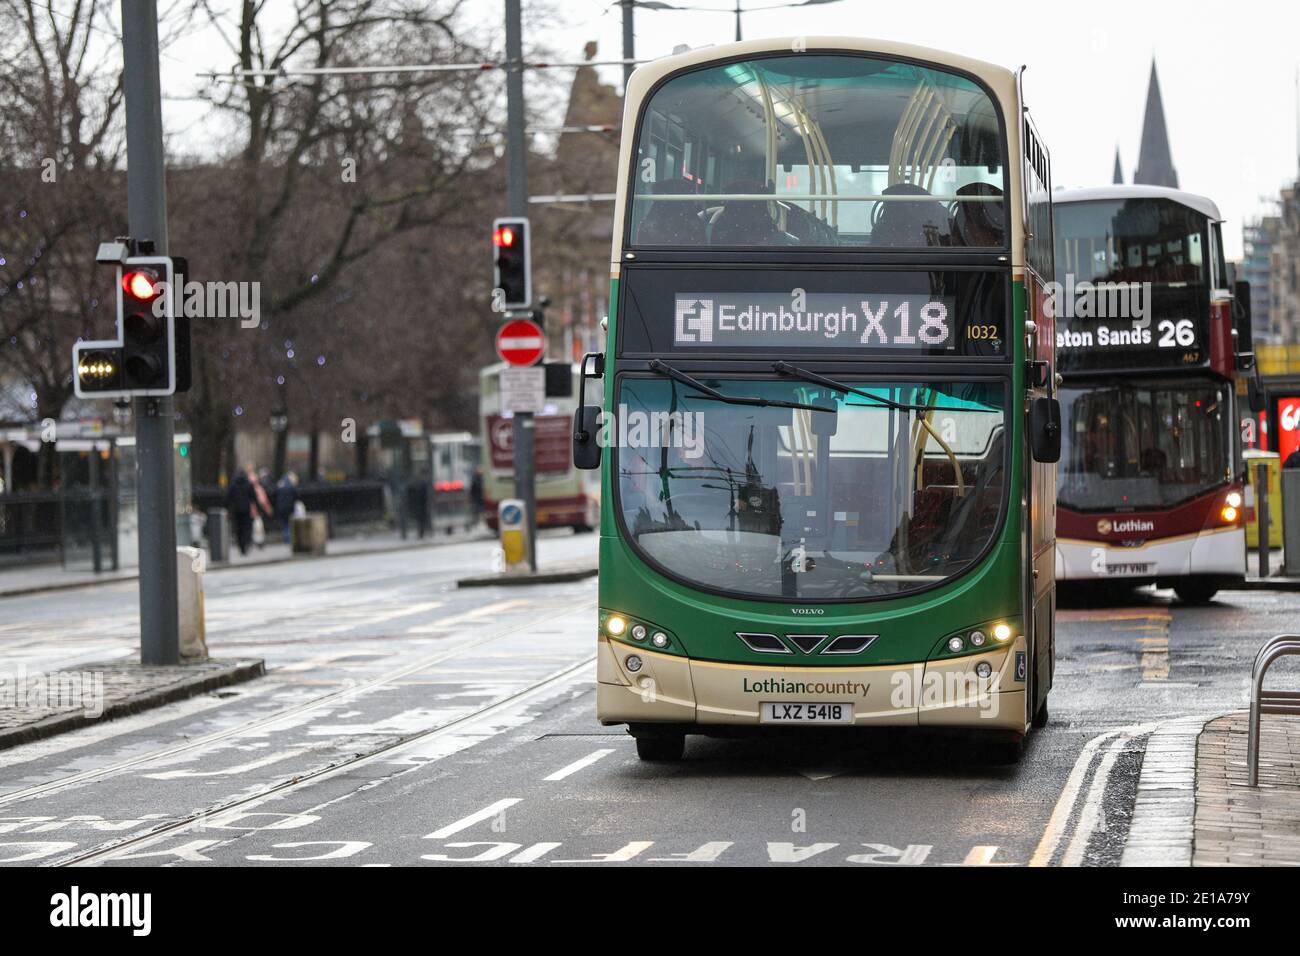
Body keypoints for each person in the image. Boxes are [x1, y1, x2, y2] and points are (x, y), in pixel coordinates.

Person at [224, 466, 256, 555]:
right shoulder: (248, 484)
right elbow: (253, 497)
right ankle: (245, 543)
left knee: (238, 528)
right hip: (246, 509)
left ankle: (241, 545)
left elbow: (227, 497)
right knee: (246, 527)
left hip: (236, 510)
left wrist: (228, 507)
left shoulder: (233, 484)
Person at [274, 471, 299, 543]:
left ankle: (285, 538)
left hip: (281, 507)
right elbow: (295, 496)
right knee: (289, 523)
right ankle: (288, 539)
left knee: (284, 523)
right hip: (289, 507)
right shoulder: (291, 486)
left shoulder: (280, 485)